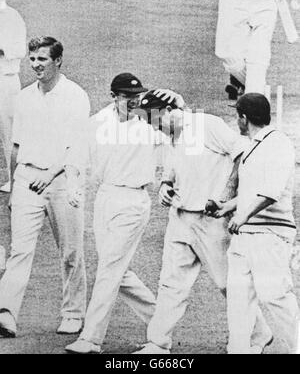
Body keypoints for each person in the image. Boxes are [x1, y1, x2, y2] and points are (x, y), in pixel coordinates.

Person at [132, 90, 272, 354]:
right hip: (180, 217)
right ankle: (158, 343)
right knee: (171, 283)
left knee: (227, 283)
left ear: (168, 112)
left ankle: (258, 336)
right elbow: (172, 168)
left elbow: (243, 154)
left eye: (153, 121)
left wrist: (228, 195)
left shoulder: (207, 125)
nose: (153, 128)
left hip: (212, 221)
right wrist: (165, 185)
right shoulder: (170, 136)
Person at [65, 74, 182, 354]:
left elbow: (184, 132)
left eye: (136, 98)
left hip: (134, 201)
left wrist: (178, 102)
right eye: (127, 98)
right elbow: (74, 160)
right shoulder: (95, 123)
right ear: (113, 96)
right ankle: (161, 320)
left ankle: (91, 339)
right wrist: (73, 187)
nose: (133, 102)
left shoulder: (150, 120)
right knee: (116, 270)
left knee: (108, 270)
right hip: (104, 199)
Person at [0, 36, 89, 338]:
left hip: (63, 180)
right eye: (33, 59)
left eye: (43, 59)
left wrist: (50, 174)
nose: (36, 65)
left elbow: (77, 146)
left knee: (70, 252)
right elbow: (15, 146)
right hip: (27, 180)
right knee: (19, 251)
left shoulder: (75, 96)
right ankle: (6, 314)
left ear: (58, 61)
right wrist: (14, 188)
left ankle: (73, 313)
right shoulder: (24, 97)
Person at [214, 93, 299, 354]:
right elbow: (252, 192)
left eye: (236, 115)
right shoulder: (253, 144)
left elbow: (271, 191)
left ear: (244, 117)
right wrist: (227, 207)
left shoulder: (278, 143)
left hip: (269, 233)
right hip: (244, 235)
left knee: (274, 295)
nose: (235, 120)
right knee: (239, 301)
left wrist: (242, 216)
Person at [0, 0, 26, 192]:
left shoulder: (12, 16)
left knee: (10, 132)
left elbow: (19, 50)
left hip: (5, 80)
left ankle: (15, 181)